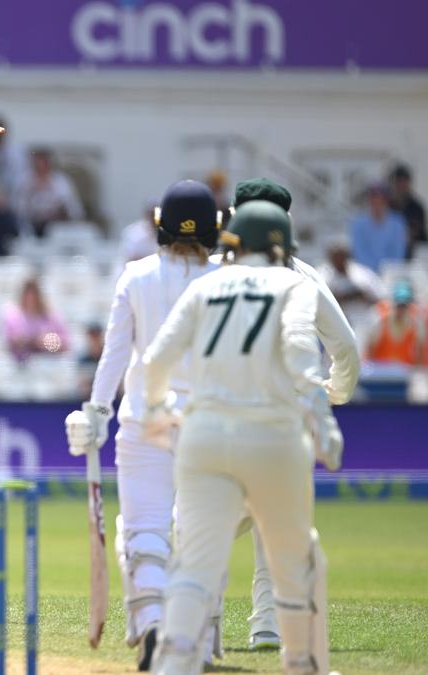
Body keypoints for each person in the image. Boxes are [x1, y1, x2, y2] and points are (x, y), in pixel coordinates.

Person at [144, 201, 339, 675]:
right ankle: (303, 664)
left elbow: (157, 359)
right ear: (279, 248)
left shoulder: (205, 284)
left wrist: (156, 411)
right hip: (273, 436)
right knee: (296, 563)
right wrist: (322, 417)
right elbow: (299, 351)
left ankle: (173, 665)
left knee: (194, 565)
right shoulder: (293, 283)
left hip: (203, 437)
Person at [64, 179, 221, 670]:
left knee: (143, 530)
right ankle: (192, 637)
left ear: (161, 226)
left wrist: (96, 412)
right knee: (199, 533)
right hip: (209, 422)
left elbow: (113, 355)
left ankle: (153, 623)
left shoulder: (136, 275)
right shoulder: (228, 278)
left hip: (142, 417)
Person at [318, 239, 385, 338]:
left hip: (361, 322)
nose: (339, 260)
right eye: (336, 256)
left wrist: (362, 296)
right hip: (332, 326)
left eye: (342, 256)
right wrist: (351, 296)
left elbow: (380, 298)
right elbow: (319, 302)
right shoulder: (322, 276)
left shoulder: (362, 275)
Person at [19, 146, 84, 237]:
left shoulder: (61, 181)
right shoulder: (25, 180)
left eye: (44, 163)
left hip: (57, 224)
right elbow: (20, 207)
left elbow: (71, 205)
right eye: (38, 164)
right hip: (33, 225)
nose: (41, 167)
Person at [3, 278, 70, 362]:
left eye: (34, 295)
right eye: (27, 294)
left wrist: (45, 342)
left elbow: (65, 343)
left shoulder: (51, 316)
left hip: (48, 363)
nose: (31, 298)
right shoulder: (13, 315)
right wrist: (25, 341)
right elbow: (7, 342)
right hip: (21, 364)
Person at [349, 182, 407, 273]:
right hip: (365, 276)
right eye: (373, 198)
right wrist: (372, 272)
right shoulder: (358, 224)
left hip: (391, 274)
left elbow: (398, 254)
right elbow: (359, 253)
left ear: (386, 201)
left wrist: (385, 270)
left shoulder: (398, 223)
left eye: (381, 199)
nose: (377, 203)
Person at [365, 280, 423, 366]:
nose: (401, 309)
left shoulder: (415, 325)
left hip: (403, 375)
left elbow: (419, 352)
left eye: (404, 306)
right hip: (381, 373)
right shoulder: (380, 323)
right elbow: (370, 349)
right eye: (399, 305)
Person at [389, 164, 425, 256]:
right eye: (398, 181)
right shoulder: (387, 206)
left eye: (404, 181)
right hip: (390, 255)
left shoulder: (417, 208)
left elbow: (422, 235)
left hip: (411, 255)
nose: (401, 185)